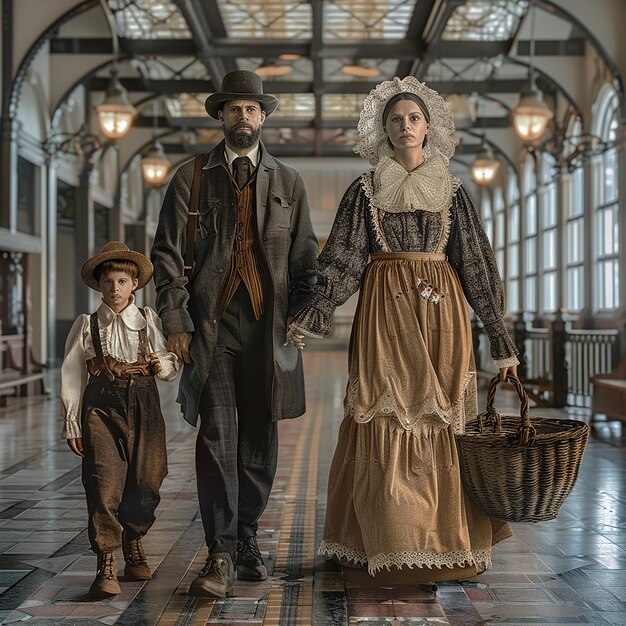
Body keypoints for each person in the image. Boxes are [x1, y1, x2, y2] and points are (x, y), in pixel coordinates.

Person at [290, 76, 519, 583]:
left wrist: (501, 340)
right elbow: (345, 259)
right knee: (385, 412)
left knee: (442, 421)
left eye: (414, 117)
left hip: (444, 319)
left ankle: (447, 544)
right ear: (383, 130)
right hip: (384, 316)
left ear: (428, 126)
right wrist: (313, 311)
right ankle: (386, 541)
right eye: (395, 119)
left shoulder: (453, 190)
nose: (405, 125)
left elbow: (476, 265)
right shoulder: (366, 188)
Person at [151, 69, 318, 598]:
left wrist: (308, 313)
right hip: (211, 326)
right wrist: (176, 322)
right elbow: (166, 257)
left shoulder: (289, 182)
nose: (242, 117)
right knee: (217, 435)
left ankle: (247, 539)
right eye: (233, 109)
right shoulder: (191, 177)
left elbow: (306, 259)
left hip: (270, 331)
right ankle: (219, 553)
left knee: (261, 438)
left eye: (251, 109)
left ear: (263, 117)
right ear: (220, 116)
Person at [60, 241, 180, 599]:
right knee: (103, 482)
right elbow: (70, 376)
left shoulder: (147, 320)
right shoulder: (87, 325)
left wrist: (165, 365)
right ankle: (106, 561)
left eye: (122, 282)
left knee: (148, 480)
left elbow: (169, 365)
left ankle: (134, 539)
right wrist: (72, 423)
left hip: (145, 403)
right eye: (109, 282)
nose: (115, 289)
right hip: (101, 407)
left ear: (135, 285)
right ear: (99, 285)